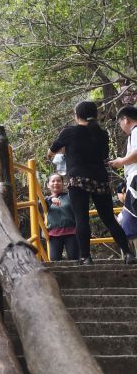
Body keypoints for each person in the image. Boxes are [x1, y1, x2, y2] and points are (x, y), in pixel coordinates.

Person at [48, 100, 134, 264]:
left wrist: (64, 150)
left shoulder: (69, 132)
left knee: (81, 219)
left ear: (76, 115)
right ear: (95, 115)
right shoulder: (102, 134)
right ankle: (128, 253)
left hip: (78, 180)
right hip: (100, 180)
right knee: (109, 218)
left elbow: (51, 152)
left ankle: (86, 257)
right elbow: (103, 156)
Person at [109, 104, 137, 241]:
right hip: (132, 179)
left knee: (130, 219)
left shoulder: (136, 131)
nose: (120, 126)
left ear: (125, 119)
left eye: (120, 122)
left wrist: (121, 161)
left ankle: (120, 220)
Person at [44, 173, 79, 262]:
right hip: (53, 234)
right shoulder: (45, 200)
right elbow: (38, 206)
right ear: (48, 185)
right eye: (53, 181)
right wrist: (50, 200)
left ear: (63, 184)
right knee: (54, 260)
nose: (56, 183)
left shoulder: (70, 196)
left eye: (59, 181)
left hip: (71, 232)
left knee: (74, 259)